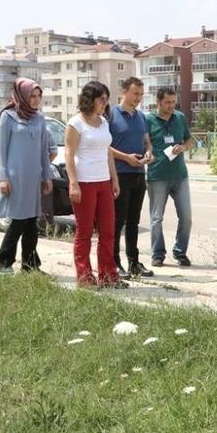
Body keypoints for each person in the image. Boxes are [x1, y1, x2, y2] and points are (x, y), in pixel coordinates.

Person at [64, 81, 127, 289]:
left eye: (107, 100)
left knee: (108, 231)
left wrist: (114, 179)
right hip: (84, 183)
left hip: (103, 183)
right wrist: (73, 184)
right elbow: (69, 154)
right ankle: (84, 278)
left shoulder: (103, 122)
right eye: (102, 99)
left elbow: (108, 152)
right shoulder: (76, 123)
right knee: (84, 232)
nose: (105, 103)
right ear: (89, 99)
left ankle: (108, 276)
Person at [0, 78, 53, 274]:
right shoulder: (8, 117)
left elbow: (44, 150)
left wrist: (47, 175)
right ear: (22, 96)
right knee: (18, 221)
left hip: (33, 178)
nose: (36, 100)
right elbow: (1, 149)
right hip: (15, 177)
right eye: (32, 96)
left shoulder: (40, 118)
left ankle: (30, 265)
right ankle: (3, 261)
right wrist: (3, 177)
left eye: (38, 96)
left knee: (31, 222)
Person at [108, 77, 154, 278]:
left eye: (141, 95)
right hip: (119, 175)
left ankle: (134, 262)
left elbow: (146, 141)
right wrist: (125, 158)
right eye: (135, 94)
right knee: (117, 221)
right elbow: (104, 146)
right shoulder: (110, 114)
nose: (138, 98)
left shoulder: (141, 116)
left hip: (138, 174)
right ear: (124, 92)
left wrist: (149, 152)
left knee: (133, 221)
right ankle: (114, 262)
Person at [145, 87, 194, 268]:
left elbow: (189, 140)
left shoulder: (179, 117)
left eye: (174, 102)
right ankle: (158, 254)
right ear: (158, 102)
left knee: (187, 217)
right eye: (167, 102)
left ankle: (180, 252)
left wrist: (182, 147)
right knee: (156, 218)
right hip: (157, 175)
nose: (171, 105)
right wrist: (147, 153)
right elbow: (144, 143)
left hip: (180, 175)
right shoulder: (147, 119)